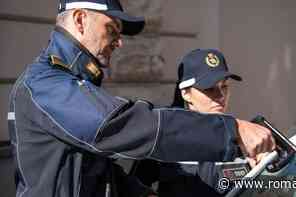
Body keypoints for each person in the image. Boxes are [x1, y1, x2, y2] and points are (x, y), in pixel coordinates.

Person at [7, 1, 275, 197]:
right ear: (79, 20)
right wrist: (232, 130)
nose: (119, 42)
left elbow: (93, 171)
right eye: (112, 29)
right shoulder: (47, 84)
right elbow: (125, 125)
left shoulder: (71, 83)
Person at [134, 48, 264, 196]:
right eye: (209, 88)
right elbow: (135, 186)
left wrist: (263, 167)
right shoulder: (164, 138)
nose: (221, 96)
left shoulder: (243, 140)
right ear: (185, 93)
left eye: (224, 86)